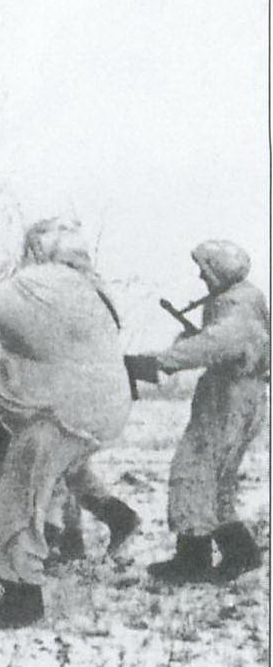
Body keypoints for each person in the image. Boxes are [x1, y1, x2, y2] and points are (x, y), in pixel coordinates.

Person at [0, 218, 132, 627]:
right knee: (47, 482)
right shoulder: (93, 289)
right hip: (102, 406)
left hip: (59, 411)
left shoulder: (44, 282)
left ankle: (21, 597)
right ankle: (97, 524)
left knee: (17, 496)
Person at [130, 240, 271, 583]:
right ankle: (240, 552)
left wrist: (159, 361)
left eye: (205, 269)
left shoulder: (236, 307)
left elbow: (215, 344)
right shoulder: (248, 300)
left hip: (229, 397)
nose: (200, 275)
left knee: (192, 471)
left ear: (218, 270)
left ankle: (192, 560)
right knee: (217, 477)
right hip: (244, 394)